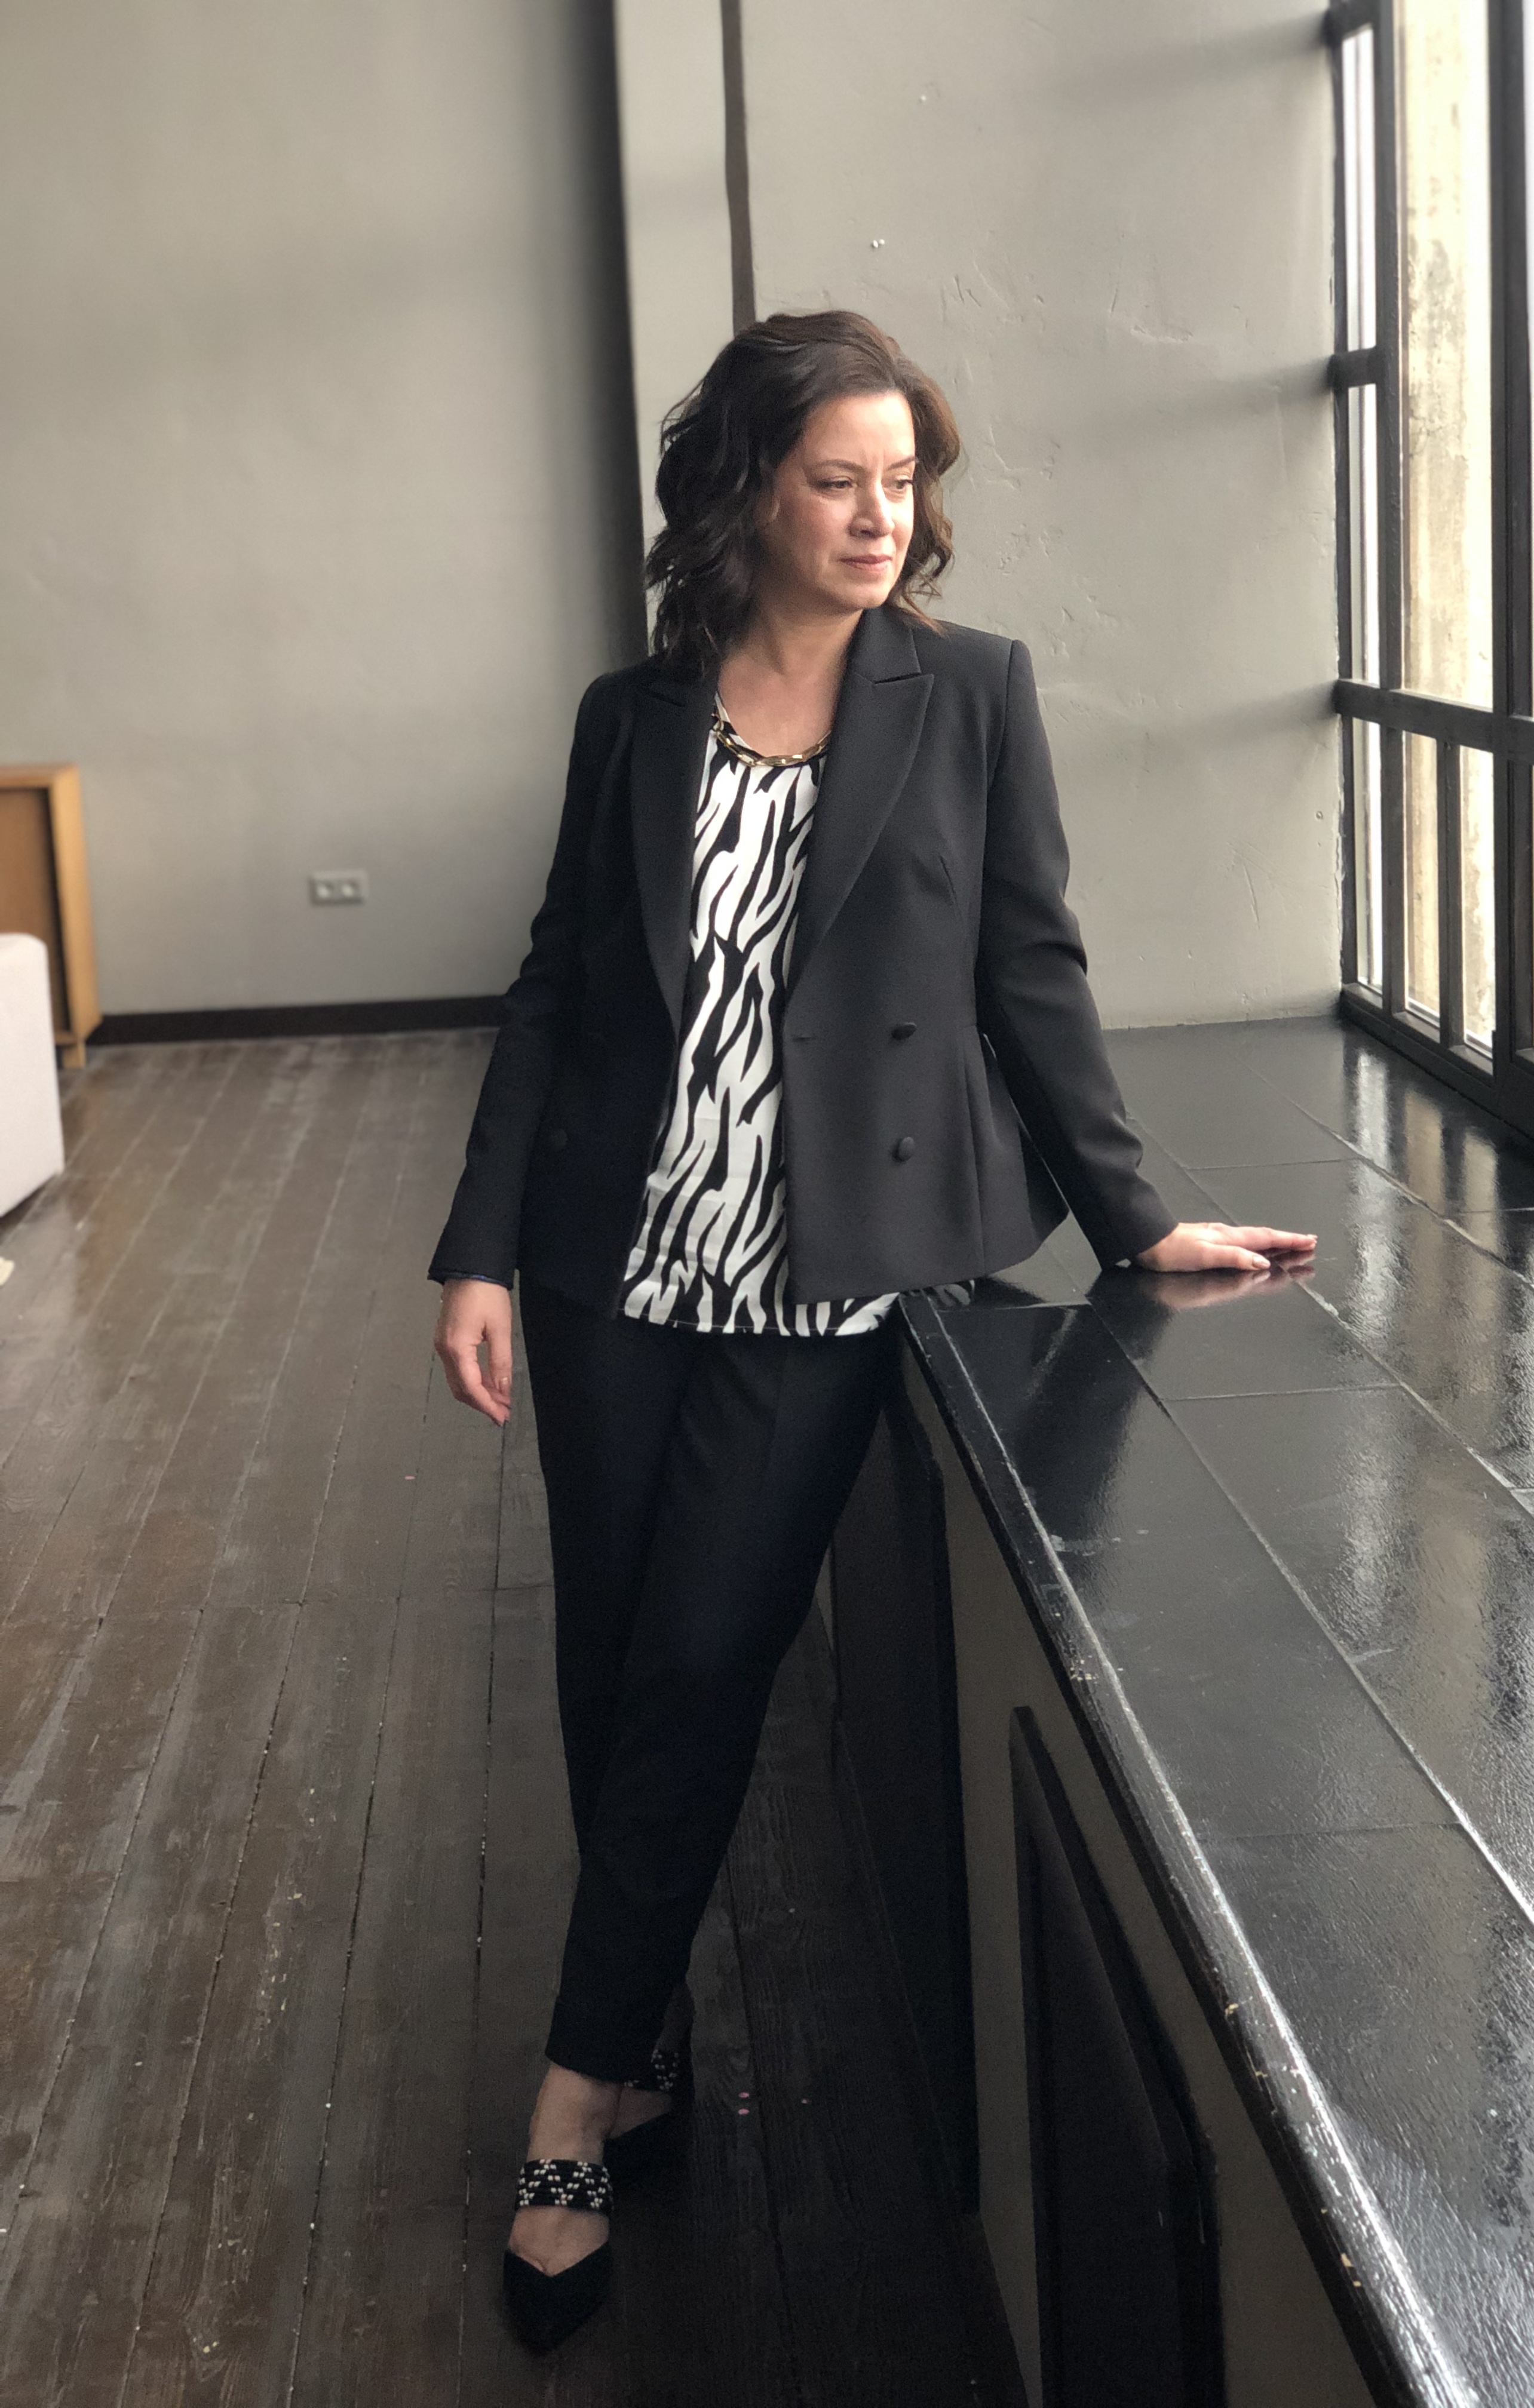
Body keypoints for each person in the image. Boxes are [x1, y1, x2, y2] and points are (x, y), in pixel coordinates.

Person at [429, 309, 1315, 2353]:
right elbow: (558, 987)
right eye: (837, 480)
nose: (877, 518)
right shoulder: (634, 718)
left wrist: (1137, 1214)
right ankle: (639, 2035)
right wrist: (476, 1249)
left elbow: (1032, 970)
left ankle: (568, 2113)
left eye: (902, 482)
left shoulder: (970, 694)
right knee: (612, 1662)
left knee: (705, 1662)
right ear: (745, 490)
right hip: (611, 1263)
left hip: (825, 1279)